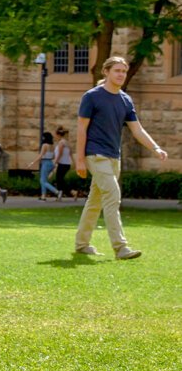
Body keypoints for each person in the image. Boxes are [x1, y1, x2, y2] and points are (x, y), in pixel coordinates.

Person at [74, 56, 166, 260]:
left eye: (123, 71)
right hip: (95, 155)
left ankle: (81, 244)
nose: (121, 75)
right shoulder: (92, 96)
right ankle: (121, 247)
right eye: (117, 70)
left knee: (95, 201)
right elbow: (81, 128)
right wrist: (79, 159)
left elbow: (137, 129)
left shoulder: (125, 99)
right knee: (113, 196)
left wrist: (155, 147)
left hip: (114, 156)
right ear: (106, 72)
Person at [29, 131, 59, 201]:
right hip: (50, 163)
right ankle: (43, 196)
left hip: (45, 162)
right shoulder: (52, 146)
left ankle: (56, 191)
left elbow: (41, 155)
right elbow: (54, 156)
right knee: (44, 180)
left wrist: (33, 162)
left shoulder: (44, 145)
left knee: (43, 181)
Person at [51, 126, 73, 200]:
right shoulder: (67, 143)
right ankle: (61, 194)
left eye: (55, 135)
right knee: (60, 179)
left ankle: (70, 192)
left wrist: (55, 162)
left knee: (59, 179)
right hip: (66, 163)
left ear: (58, 135)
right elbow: (70, 154)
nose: (55, 137)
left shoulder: (61, 143)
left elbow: (59, 154)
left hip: (62, 163)